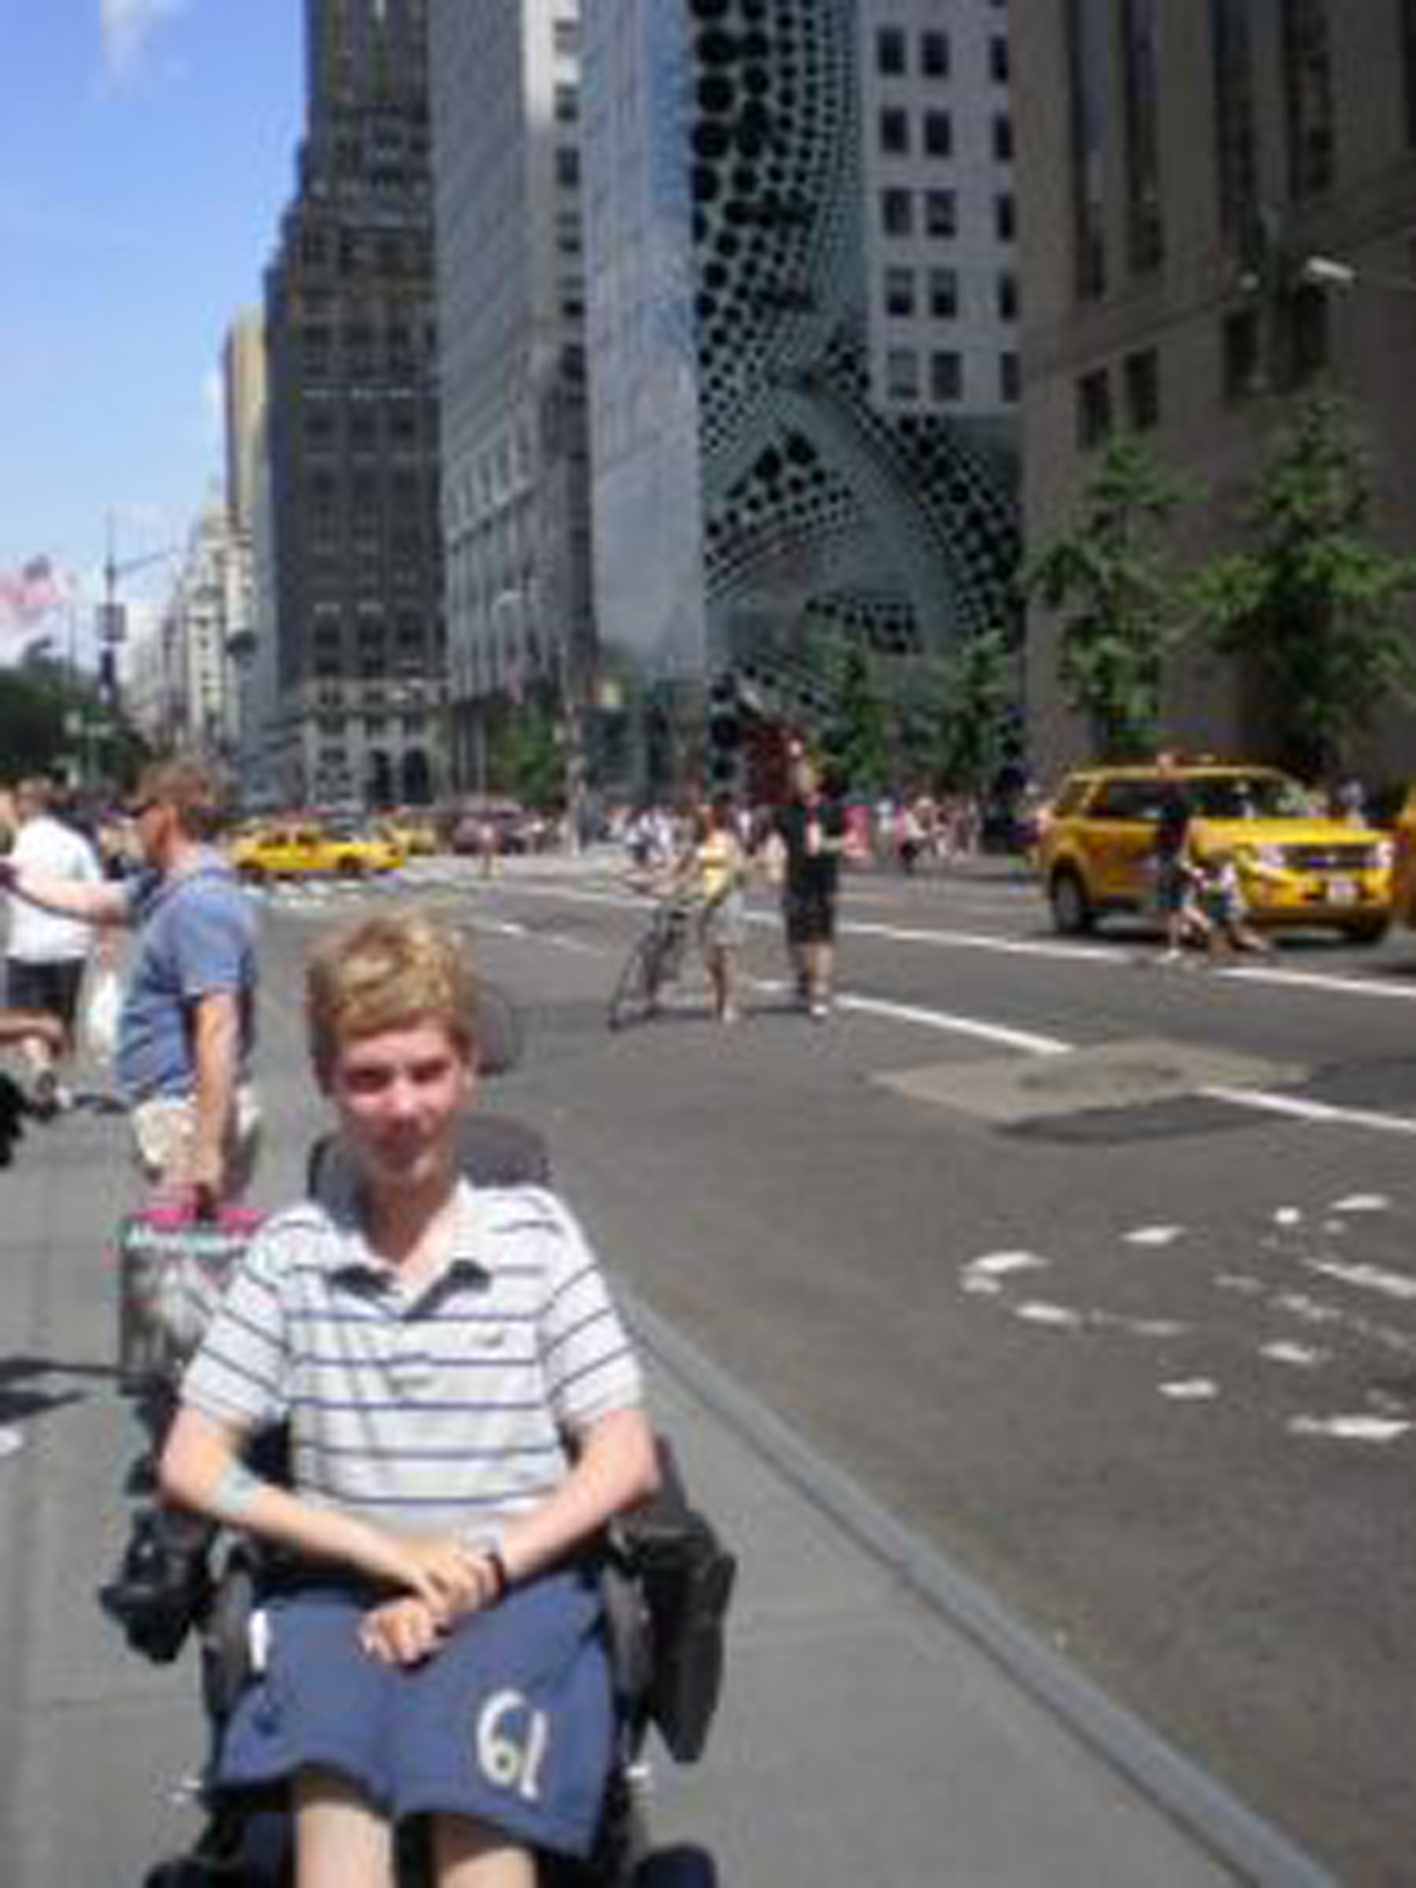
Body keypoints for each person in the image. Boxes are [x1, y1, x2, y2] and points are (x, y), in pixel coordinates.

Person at [157, 910, 660, 1887]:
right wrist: (388, 1557)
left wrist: (474, 1571)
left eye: (426, 1071)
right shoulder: (291, 1254)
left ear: (467, 1068)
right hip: (340, 1595)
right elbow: (191, 1459)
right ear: (326, 1084)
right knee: (338, 1846)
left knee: (479, 1829)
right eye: (369, 1077)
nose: (400, 1106)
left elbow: (624, 1455)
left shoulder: (536, 1236)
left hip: (517, 1587)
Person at [0, 756, 259, 1204]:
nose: (129, 822)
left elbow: (218, 1025)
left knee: (183, 1261)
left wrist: (206, 1148)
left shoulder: (199, 903)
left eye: (138, 810)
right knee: (183, 1258)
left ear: (168, 814)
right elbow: (90, 899)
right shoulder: (167, 886)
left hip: (187, 1113)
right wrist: (12, 877)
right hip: (178, 1109)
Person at [2, 775, 108, 1116]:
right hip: (70, 946)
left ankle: (41, 1069)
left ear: (24, 805)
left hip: (25, 945)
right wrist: (104, 936)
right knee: (61, 1018)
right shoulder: (74, 842)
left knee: (25, 1017)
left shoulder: (16, 845)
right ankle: (61, 1086)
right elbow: (98, 890)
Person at [771, 754, 846, 1019]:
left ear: (817, 779)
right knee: (797, 943)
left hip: (825, 883)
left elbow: (850, 840)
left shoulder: (832, 808)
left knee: (823, 938)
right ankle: (804, 978)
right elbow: (775, 843)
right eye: (795, 777)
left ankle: (819, 993)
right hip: (795, 883)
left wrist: (827, 845)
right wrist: (773, 866)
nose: (799, 780)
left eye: (805, 776)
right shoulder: (784, 811)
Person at [677, 797, 748, 1024]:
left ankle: (729, 1003)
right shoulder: (699, 845)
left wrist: (714, 894)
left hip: (728, 903)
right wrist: (667, 888)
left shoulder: (728, 839)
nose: (703, 820)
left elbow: (734, 871)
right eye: (699, 817)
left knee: (727, 955)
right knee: (710, 958)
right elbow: (688, 873)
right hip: (704, 904)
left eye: (707, 816)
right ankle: (719, 995)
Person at [1151, 755, 1211, 962]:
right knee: (1180, 904)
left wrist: (1183, 851)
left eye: (1163, 767)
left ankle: (1176, 947)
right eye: (1157, 767)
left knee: (1173, 902)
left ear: (1175, 769)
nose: (1158, 771)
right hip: (1167, 852)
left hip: (1175, 853)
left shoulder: (1179, 792)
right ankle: (1213, 938)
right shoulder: (1166, 792)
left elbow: (1192, 822)